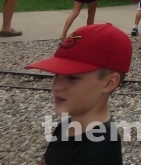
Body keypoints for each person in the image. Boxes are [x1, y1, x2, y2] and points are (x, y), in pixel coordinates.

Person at [25, 22, 133, 165]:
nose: (56, 86)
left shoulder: (97, 150)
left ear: (109, 83)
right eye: (57, 74)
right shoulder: (67, 125)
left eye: (72, 78)